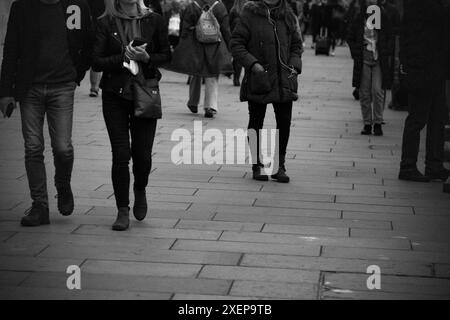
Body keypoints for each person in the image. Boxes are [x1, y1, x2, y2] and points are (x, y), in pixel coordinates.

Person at [0, 0, 93, 227]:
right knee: (33, 147)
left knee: (63, 147)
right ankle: (39, 205)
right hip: (30, 86)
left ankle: (62, 184)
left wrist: (76, 75)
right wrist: (5, 92)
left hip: (62, 86)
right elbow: (11, 48)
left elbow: (89, 43)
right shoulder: (22, 6)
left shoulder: (76, 6)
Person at [92, 0, 171, 230]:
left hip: (145, 92)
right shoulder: (106, 22)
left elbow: (166, 55)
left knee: (143, 156)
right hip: (114, 95)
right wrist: (123, 56)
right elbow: (96, 62)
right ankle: (122, 210)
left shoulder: (153, 20)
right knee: (120, 154)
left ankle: (140, 188)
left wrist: (147, 58)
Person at [231, 0, 303, 183]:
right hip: (259, 78)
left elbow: (296, 45)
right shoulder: (249, 14)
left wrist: (294, 66)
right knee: (256, 122)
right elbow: (237, 44)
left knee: (284, 123)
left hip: (284, 79)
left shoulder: (288, 14)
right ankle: (257, 164)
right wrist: (253, 64)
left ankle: (279, 166)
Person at [398, 0, 450, 182]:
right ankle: (408, 166)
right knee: (418, 118)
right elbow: (437, 16)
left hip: (434, 68)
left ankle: (433, 165)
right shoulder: (421, 5)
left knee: (438, 117)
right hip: (423, 68)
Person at [169, 0, 232, 118]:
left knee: (195, 72)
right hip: (214, 45)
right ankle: (210, 106)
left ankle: (193, 101)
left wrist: (183, 45)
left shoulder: (193, 5)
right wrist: (230, 47)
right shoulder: (219, 6)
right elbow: (225, 29)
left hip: (195, 44)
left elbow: (185, 28)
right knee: (212, 74)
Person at [347, 0, 393, 136]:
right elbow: (350, 36)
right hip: (364, 60)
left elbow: (390, 36)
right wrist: (356, 52)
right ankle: (367, 123)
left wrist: (386, 50)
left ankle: (378, 123)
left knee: (378, 91)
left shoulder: (382, 15)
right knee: (364, 93)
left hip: (379, 60)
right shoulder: (359, 16)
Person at [87, 0, 106, 97]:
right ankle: (94, 87)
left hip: (96, 24)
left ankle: (94, 87)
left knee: (97, 55)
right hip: (98, 24)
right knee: (97, 55)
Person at [229, 0, 248, 86]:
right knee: (242, 58)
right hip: (245, 36)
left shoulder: (233, 10)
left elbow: (229, 24)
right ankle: (238, 78)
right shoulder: (247, 10)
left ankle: (235, 77)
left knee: (236, 57)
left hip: (234, 36)